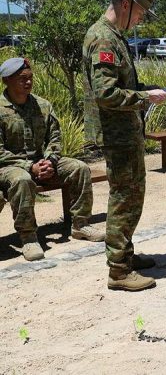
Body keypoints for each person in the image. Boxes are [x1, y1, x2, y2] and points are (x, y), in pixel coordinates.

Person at [83, 0, 166, 291]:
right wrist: (145, 98)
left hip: (126, 131)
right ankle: (118, 270)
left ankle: (125, 254)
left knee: (133, 195)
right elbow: (105, 94)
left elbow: (121, 86)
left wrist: (146, 90)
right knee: (123, 196)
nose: (141, 19)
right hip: (116, 134)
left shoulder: (114, 36)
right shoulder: (104, 39)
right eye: (140, 13)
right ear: (125, 5)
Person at [0, 58, 104, 261]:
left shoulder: (43, 106)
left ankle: (80, 225)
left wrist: (51, 160)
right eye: (22, 79)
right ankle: (28, 238)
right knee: (22, 180)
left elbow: (55, 138)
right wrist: (30, 167)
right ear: (6, 81)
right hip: (10, 167)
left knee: (79, 168)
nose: (28, 83)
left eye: (30, 78)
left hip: (43, 163)